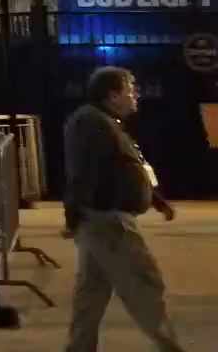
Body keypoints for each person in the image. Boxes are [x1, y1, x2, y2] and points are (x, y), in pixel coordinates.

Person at [63, 66, 186, 352]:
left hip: (100, 221)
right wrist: (75, 216)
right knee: (146, 287)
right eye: (131, 89)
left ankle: (79, 348)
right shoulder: (92, 123)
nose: (136, 95)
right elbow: (83, 173)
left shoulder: (104, 121)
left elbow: (127, 168)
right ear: (113, 94)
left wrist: (155, 199)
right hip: (108, 222)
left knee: (91, 292)